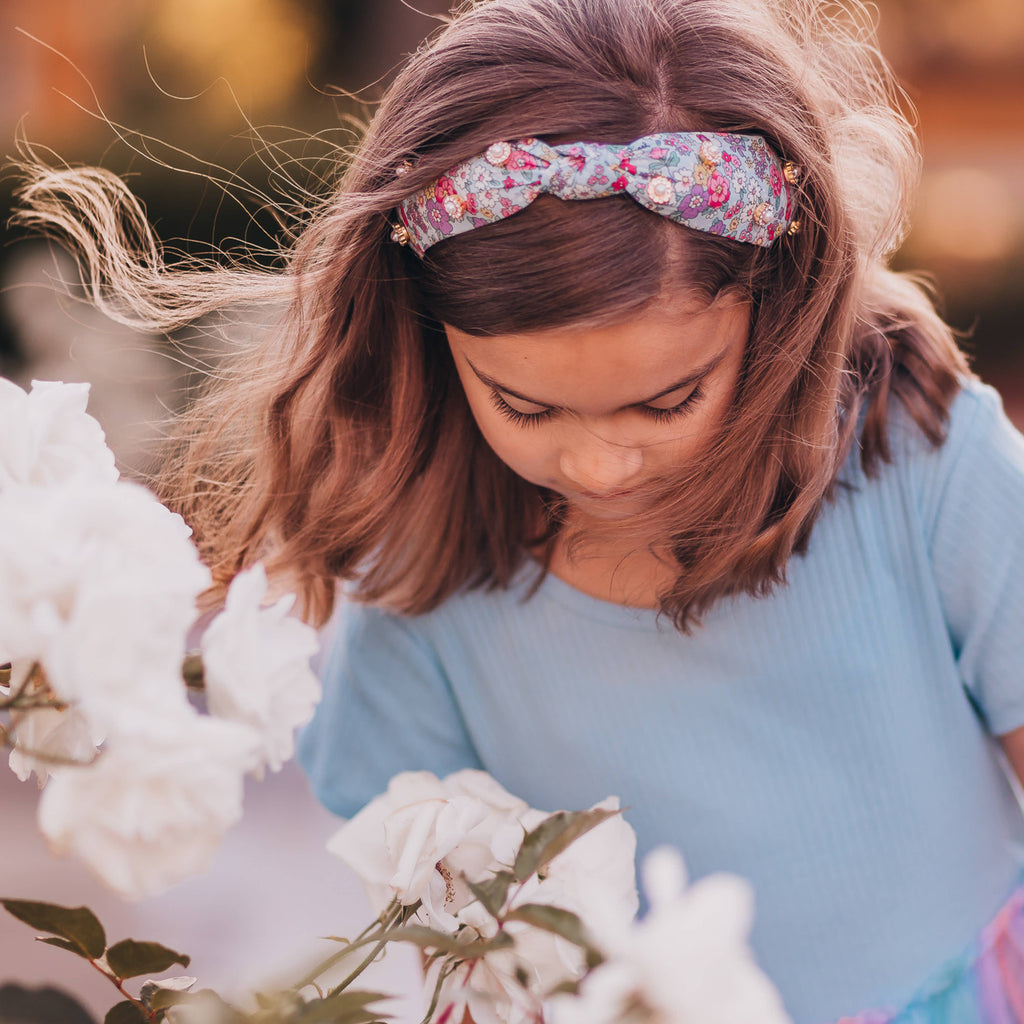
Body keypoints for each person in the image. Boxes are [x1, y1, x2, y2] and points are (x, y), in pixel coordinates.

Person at [12, 0, 1024, 1019]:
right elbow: (444, 920)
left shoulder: (920, 455)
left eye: (668, 398)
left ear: (780, 299)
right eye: (526, 404)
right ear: (428, 335)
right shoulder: (424, 579)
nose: (600, 462)